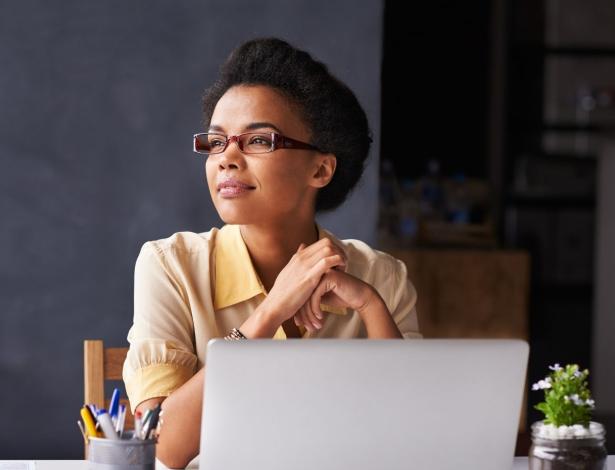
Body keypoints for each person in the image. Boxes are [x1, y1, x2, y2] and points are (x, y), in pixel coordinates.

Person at [122, 37, 421, 469]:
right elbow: (162, 449)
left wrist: (371, 305)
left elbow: (413, 436)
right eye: (217, 141)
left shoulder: (381, 275)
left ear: (320, 168)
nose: (227, 158)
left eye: (259, 141)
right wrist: (269, 314)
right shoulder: (170, 265)